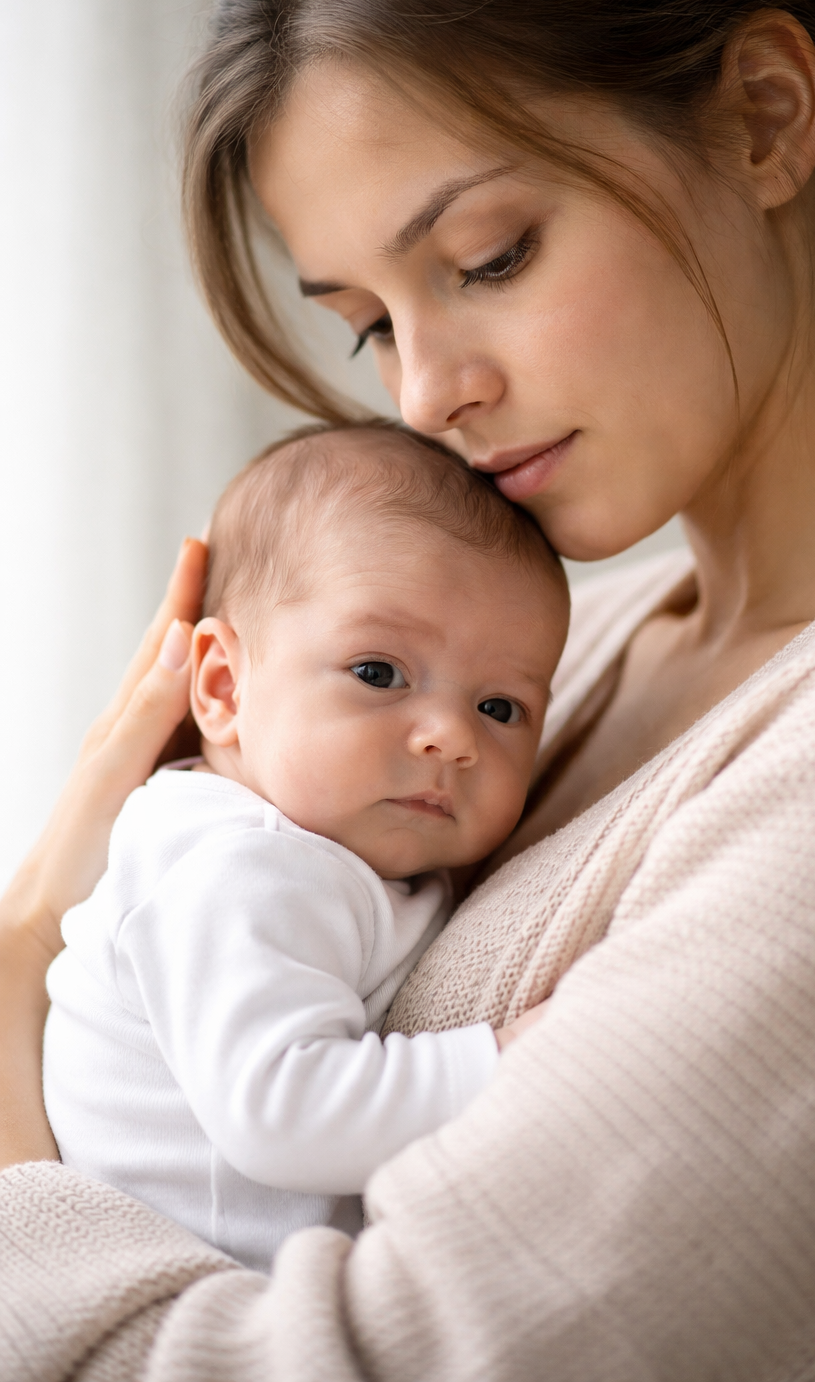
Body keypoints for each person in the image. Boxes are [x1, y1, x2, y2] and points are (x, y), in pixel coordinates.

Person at [0, 0, 815, 1378]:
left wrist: (10, 1031)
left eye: (489, 257)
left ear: (765, 116)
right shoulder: (572, 652)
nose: (429, 392)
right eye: (369, 330)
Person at [41, 423, 567, 1272]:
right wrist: (504, 1062)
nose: (451, 738)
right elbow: (280, 1109)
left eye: (500, 708)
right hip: (194, 1297)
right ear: (221, 686)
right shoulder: (238, 866)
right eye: (378, 673)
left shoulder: (327, 847)